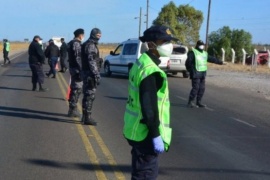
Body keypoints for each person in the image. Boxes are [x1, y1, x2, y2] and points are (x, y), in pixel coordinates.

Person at [123, 25, 176, 179]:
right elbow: (149, 107)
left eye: (169, 41)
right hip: (145, 135)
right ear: (151, 44)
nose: (169, 45)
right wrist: (155, 134)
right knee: (145, 175)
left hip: (136, 129)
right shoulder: (150, 71)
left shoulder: (141, 62)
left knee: (139, 173)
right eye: (164, 41)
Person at [185, 40, 224, 108]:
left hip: (202, 73)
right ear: (197, 45)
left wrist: (220, 62)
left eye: (203, 45)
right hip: (195, 73)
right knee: (196, 88)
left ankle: (199, 102)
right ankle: (190, 101)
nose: (202, 46)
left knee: (202, 88)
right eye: (200, 44)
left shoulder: (204, 53)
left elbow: (212, 59)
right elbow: (188, 63)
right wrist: (190, 70)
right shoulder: (193, 53)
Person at [81, 28, 102, 126]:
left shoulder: (87, 44)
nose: (99, 37)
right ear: (93, 35)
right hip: (89, 74)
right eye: (98, 35)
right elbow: (91, 61)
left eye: (100, 35)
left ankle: (85, 116)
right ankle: (87, 117)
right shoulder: (91, 45)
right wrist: (96, 74)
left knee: (87, 95)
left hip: (86, 72)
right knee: (90, 96)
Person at [67, 28, 85, 117]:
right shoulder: (76, 44)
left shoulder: (71, 43)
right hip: (77, 69)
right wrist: (82, 69)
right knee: (76, 90)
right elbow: (78, 58)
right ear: (80, 35)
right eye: (83, 35)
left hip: (73, 68)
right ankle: (72, 109)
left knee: (74, 88)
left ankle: (71, 109)